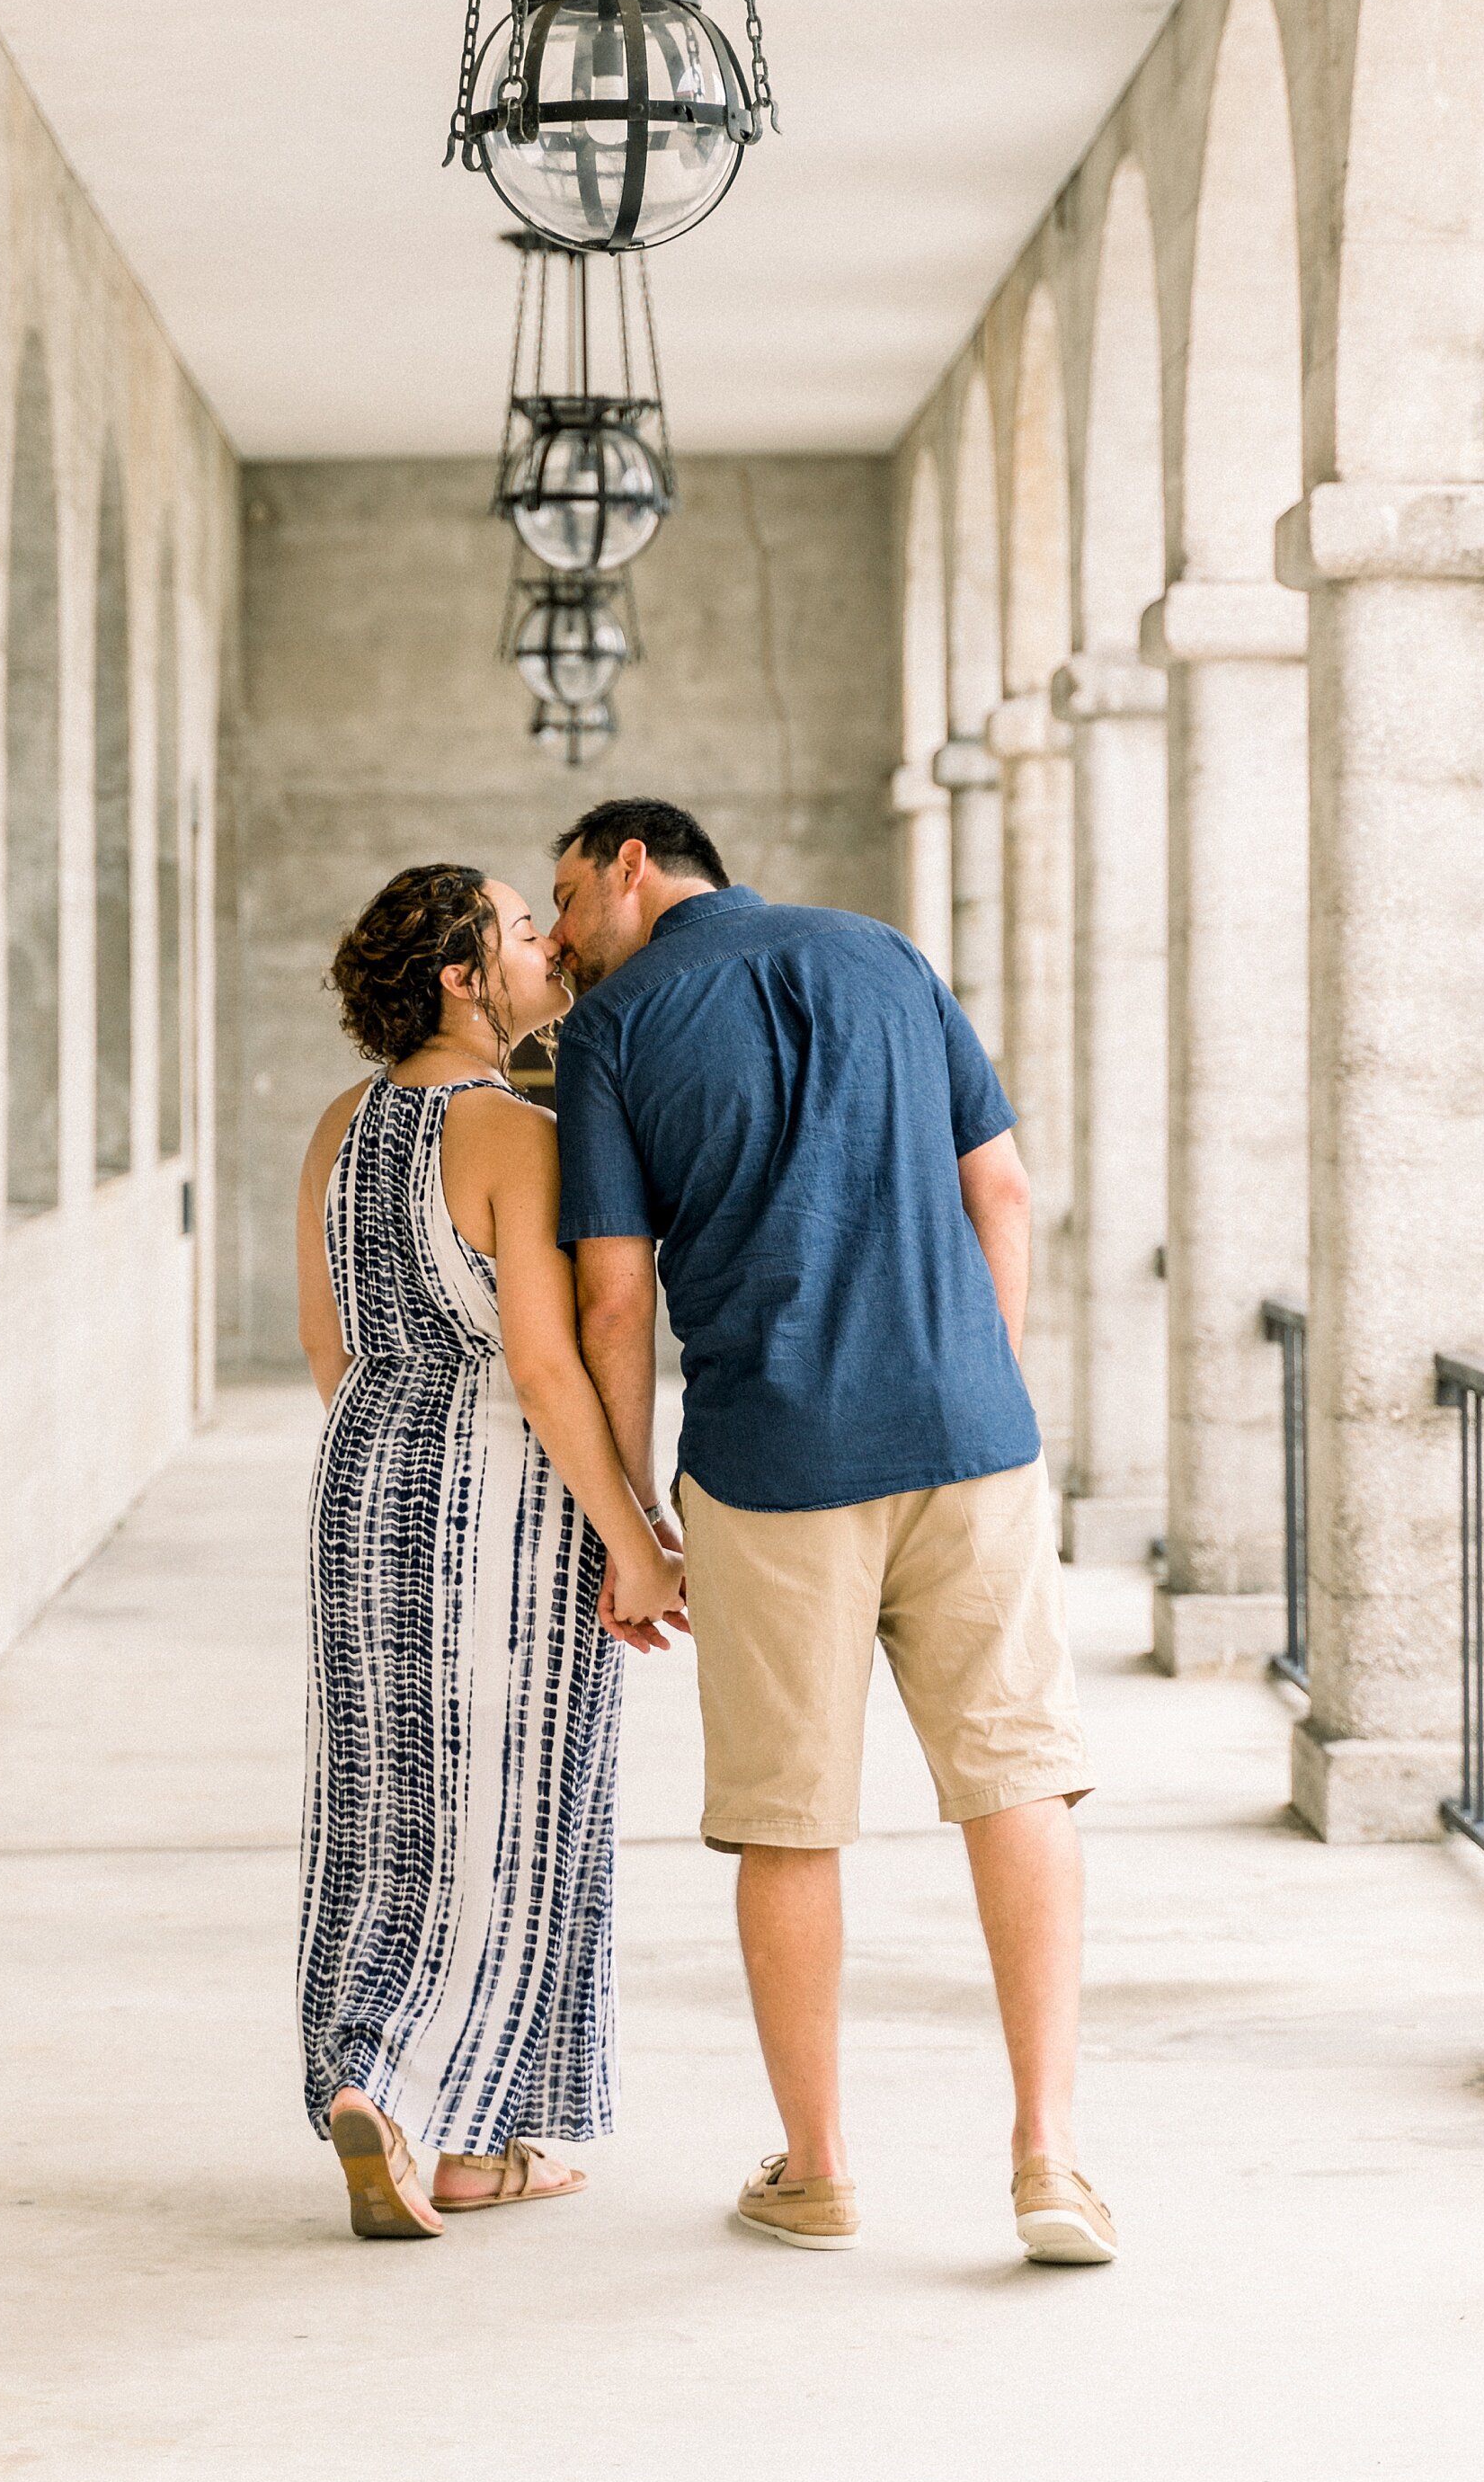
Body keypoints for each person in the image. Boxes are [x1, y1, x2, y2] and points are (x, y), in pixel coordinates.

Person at [547, 799, 1115, 2267]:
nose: (554, 939)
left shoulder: (614, 1033)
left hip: (772, 1454)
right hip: (967, 1436)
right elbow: (1004, 1186)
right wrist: (976, 1375)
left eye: (565, 899)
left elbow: (612, 1298)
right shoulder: (886, 954)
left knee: (789, 1820)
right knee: (1020, 1783)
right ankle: (1049, 2156)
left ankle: (818, 2170)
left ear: (634, 866)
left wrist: (632, 1517)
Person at [294, 864, 684, 2241]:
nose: (546, 946)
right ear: (465, 975)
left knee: (383, 1798)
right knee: (508, 1805)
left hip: (363, 1477)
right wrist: (632, 1537)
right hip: (502, 1491)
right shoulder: (516, 1132)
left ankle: (374, 2075)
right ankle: (425, 2108)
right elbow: (543, 1358)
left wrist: (387, 1449)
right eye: (524, 930)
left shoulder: (341, 1128)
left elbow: (325, 1342)